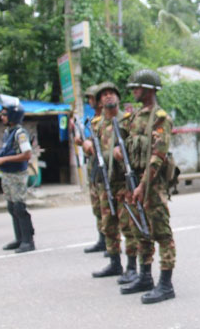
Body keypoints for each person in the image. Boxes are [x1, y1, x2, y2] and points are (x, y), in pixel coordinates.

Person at [115, 69, 177, 303]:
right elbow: (127, 146)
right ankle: (145, 276)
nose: (134, 91)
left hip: (152, 183)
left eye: (138, 87)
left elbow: (157, 156)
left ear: (150, 90)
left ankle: (166, 284)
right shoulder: (134, 117)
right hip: (134, 181)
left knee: (161, 233)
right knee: (140, 231)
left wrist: (142, 186)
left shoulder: (160, 118)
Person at [82, 82, 129, 278]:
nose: (108, 96)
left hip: (123, 181)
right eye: (104, 95)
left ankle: (133, 267)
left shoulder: (127, 121)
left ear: (118, 97)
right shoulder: (98, 124)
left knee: (129, 226)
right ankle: (115, 263)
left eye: (112, 93)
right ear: (100, 101)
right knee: (108, 224)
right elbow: (94, 145)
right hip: (104, 181)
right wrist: (87, 144)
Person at [0, 95, 36, 253]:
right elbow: (5, 151)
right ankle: (19, 239)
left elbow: (27, 154)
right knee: (11, 207)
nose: (1, 117)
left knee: (19, 207)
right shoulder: (8, 133)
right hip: (8, 175)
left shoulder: (20, 133)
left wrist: (3, 160)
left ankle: (28, 241)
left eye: (4, 114)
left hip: (17, 174)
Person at [71, 84, 107, 254]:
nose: (89, 102)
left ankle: (110, 241)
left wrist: (87, 144)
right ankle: (102, 239)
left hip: (104, 171)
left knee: (106, 208)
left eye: (91, 98)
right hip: (94, 169)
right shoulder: (94, 120)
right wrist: (81, 141)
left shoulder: (107, 120)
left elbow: (101, 148)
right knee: (97, 207)